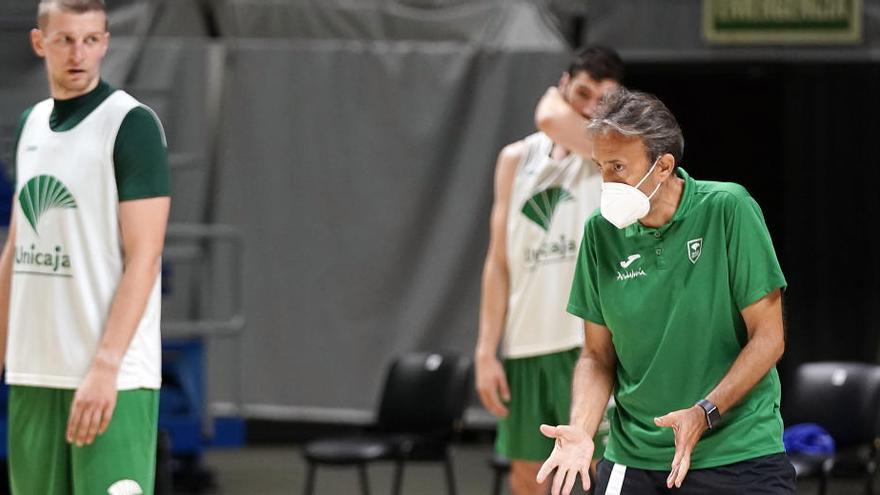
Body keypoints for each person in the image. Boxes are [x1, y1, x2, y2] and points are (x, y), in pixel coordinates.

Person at [535, 87, 795, 495]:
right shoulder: (600, 235)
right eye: (599, 167)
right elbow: (597, 354)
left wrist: (704, 412)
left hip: (737, 450)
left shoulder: (728, 209)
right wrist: (583, 429)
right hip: (636, 456)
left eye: (618, 167)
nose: (606, 182)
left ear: (663, 166)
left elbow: (769, 337)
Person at [0, 0, 170, 493]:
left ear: (105, 43)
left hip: (109, 378)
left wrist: (105, 367)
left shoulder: (131, 125)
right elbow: (16, 249)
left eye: (91, 40)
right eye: (66, 40)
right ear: (40, 43)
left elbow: (146, 255)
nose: (79, 53)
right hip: (35, 370)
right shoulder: (30, 124)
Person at [474, 46, 623, 495]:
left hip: (587, 345)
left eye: (605, 99)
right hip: (526, 344)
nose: (591, 107)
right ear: (563, 85)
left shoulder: (607, 151)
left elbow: (550, 118)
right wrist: (486, 351)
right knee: (527, 477)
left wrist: (556, 104)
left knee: (602, 474)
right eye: (582, 92)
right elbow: (499, 263)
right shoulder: (515, 160)